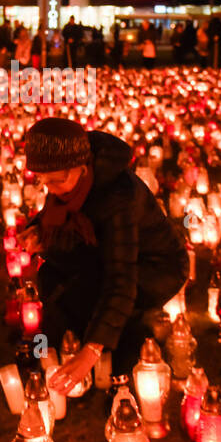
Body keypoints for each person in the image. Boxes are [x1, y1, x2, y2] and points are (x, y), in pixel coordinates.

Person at [19, 118, 189, 384]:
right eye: (43, 181)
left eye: (57, 180)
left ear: (82, 168)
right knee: (52, 274)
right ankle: (61, 345)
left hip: (155, 266)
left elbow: (121, 279)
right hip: (103, 250)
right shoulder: (69, 185)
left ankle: (122, 357)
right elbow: (58, 215)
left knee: (96, 290)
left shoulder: (119, 199)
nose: (50, 189)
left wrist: (91, 351)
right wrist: (39, 230)